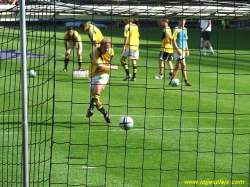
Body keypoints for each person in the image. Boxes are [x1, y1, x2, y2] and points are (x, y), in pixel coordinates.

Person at [86, 38, 118, 123]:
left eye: (108, 47)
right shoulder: (94, 52)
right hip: (93, 74)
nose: (107, 50)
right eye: (105, 48)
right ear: (101, 46)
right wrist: (113, 67)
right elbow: (101, 66)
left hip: (103, 75)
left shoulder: (111, 51)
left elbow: (105, 66)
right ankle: (105, 113)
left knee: (97, 91)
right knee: (95, 99)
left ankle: (90, 110)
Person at [170, 19, 191, 86]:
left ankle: (171, 80)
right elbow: (173, 40)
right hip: (177, 50)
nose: (182, 22)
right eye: (181, 20)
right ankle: (186, 81)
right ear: (178, 21)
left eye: (183, 20)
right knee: (183, 65)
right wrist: (178, 49)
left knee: (178, 66)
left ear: (185, 21)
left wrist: (187, 49)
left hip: (183, 50)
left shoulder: (185, 29)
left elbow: (185, 40)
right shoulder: (176, 29)